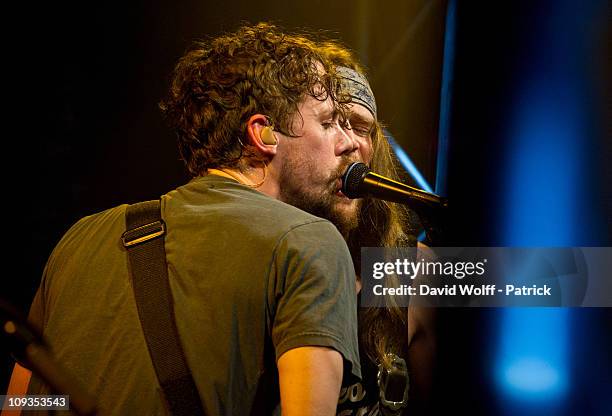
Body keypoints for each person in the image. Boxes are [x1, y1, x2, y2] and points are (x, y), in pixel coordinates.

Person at [5, 23, 367, 415]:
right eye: (328, 122)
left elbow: (20, 401)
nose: (347, 142)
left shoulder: (79, 238)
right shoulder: (310, 240)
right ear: (263, 135)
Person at [319, 45, 436, 415]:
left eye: (360, 127)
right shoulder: (257, 256)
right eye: (329, 123)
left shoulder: (413, 268)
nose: (349, 143)